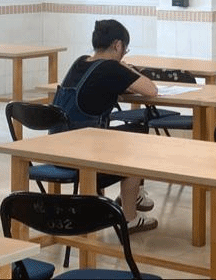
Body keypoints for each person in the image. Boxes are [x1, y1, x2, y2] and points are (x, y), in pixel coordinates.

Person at [54, 19, 159, 233]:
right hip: (84, 156)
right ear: (117, 45)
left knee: (125, 135)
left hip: (57, 148)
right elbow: (151, 90)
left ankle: (132, 195)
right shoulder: (111, 67)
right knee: (137, 141)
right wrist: (124, 67)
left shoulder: (79, 62)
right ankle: (129, 217)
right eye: (125, 50)